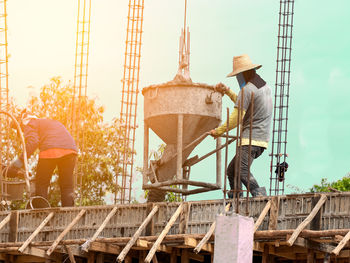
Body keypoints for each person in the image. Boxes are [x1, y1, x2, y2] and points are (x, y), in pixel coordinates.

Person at [210, 54, 273, 198]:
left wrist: (218, 131)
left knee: (241, 170)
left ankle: (260, 196)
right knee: (231, 171)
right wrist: (227, 91)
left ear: (242, 74)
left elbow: (237, 118)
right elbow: (245, 103)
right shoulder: (264, 87)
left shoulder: (247, 90)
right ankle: (236, 198)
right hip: (261, 139)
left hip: (250, 139)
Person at [9, 109, 78, 206]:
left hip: (50, 148)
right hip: (70, 150)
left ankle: (41, 214)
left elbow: (32, 142)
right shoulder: (45, 123)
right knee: (67, 185)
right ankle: (70, 213)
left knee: (42, 183)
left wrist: (18, 162)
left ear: (21, 121)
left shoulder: (29, 122)